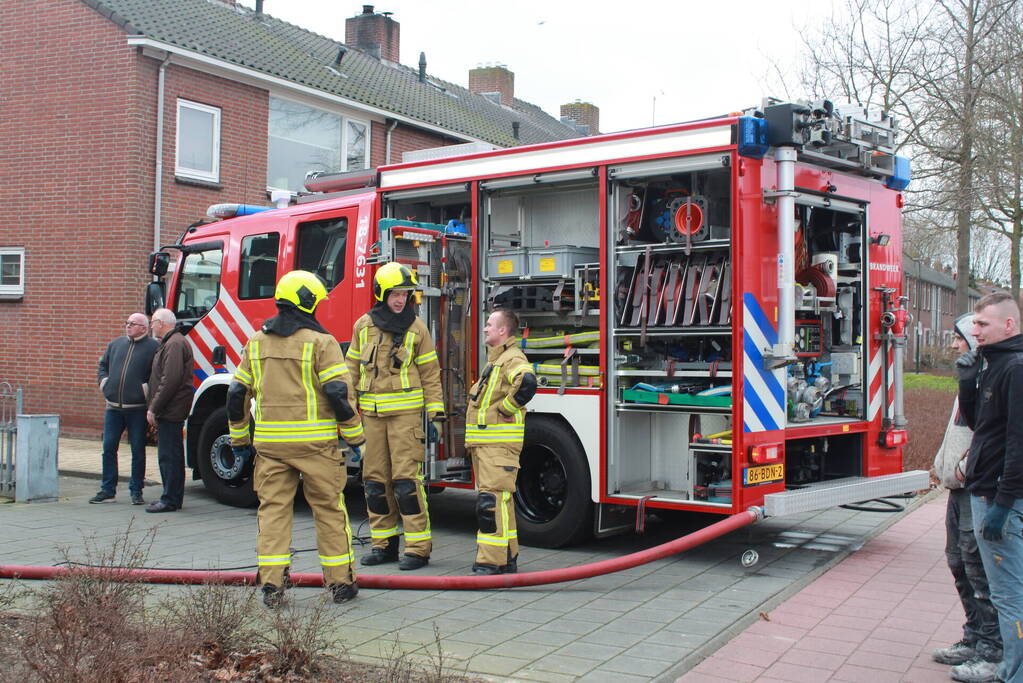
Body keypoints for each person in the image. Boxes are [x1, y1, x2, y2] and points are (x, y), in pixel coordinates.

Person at [228, 270, 365, 607]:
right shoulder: (321, 342)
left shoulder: (256, 342)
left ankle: (272, 586)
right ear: (308, 304)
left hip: (271, 447)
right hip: (315, 447)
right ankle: (340, 584)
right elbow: (337, 392)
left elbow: (235, 393)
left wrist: (239, 439)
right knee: (329, 511)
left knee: (273, 512)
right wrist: (355, 436)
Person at [346, 262, 444, 571]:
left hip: (405, 418)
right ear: (381, 294)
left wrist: (435, 415)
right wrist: (345, 413)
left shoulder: (417, 329)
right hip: (372, 419)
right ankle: (383, 545)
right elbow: (350, 371)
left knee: (406, 483)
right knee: (374, 482)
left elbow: (431, 375)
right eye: (395, 294)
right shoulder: (363, 326)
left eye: (405, 294)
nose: (400, 300)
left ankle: (417, 549)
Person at [932, 313, 1002, 681]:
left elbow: (987, 431)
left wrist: (963, 468)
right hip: (958, 488)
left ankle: (993, 651)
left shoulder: (995, 376)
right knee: (958, 562)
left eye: (961, 338)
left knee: (979, 569)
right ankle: (974, 637)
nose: (956, 344)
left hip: (976, 487)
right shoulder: (971, 377)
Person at [959, 292, 1023, 683]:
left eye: (982, 324)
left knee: (1008, 594)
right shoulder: (994, 364)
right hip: (990, 492)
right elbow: (978, 424)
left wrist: (1003, 501)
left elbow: (1018, 441)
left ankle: (1014, 674)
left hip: (1000, 498)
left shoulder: (1015, 368)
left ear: (1009, 325)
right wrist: (968, 381)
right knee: (1007, 590)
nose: (974, 330)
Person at [464, 308, 536, 575]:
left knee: (490, 502)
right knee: (500, 502)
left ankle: (491, 561)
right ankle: (506, 556)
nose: (484, 328)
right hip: (489, 447)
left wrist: (506, 408)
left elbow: (527, 383)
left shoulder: (511, 358)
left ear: (503, 331)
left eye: (489, 324)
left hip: (497, 447)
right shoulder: (497, 359)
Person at [90, 313, 160, 505]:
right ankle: (107, 490)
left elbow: (157, 374)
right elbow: (102, 365)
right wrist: (104, 383)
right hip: (113, 408)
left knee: (138, 449)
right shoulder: (115, 344)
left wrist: (145, 391)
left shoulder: (154, 348)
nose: (127, 326)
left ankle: (136, 490)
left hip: (137, 409)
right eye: (127, 323)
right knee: (108, 447)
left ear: (144, 328)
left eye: (132, 324)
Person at [145, 308, 195, 513]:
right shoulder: (172, 342)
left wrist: (154, 408)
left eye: (153, 321)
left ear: (162, 323)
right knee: (170, 454)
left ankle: (170, 499)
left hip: (170, 409)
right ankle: (170, 496)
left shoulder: (174, 344)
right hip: (171, 408)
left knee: (170, 456)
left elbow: (170, 379)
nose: (151, 325)